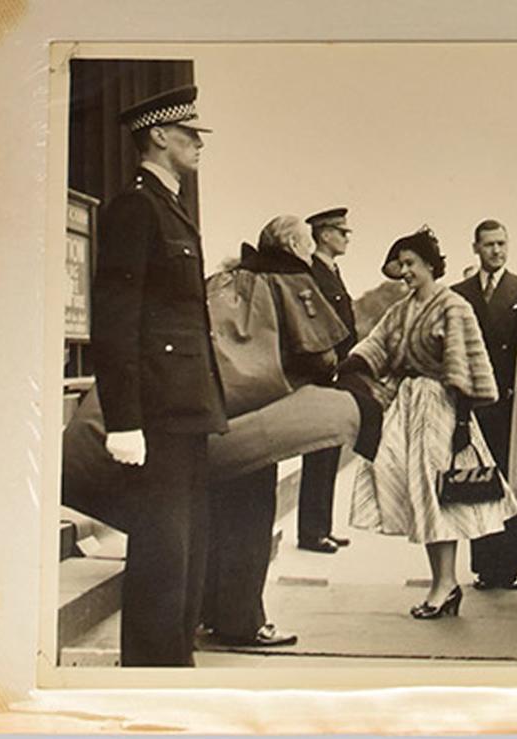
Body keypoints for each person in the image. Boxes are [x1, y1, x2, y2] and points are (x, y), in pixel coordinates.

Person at [90, 85, 227, 666]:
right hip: (157, 412)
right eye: (190, 133)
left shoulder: (170, 206)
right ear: (159, 135)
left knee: (187, 550)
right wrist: (124, 419)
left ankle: (175, 662)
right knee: (162, 552)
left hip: (187, 407)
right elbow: (116, 320)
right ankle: (150, 671)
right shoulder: (135, 207)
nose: (199, 142)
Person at [346, 227, 517, 618]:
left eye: (411, 264)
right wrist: (351, 363)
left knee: (437, 495)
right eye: (401, 265)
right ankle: (443, 584)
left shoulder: (453, 306)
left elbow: (462, 364)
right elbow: (378, 343)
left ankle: (444, 586)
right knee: (419, 495)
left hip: (442, 407)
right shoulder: (403, 308)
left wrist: (461, 424)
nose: (405, 271)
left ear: (430, 265)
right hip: (409, 406)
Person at [202, 216, 349, 648]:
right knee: (251, 521)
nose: (308, 253)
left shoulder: (223, 278)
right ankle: (245, 621)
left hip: (215, 413)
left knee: (216, 517)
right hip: (260, 414)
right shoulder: (291, 281)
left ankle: (208, 612)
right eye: (305, 244)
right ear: (291, 245)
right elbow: (320, 353)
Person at [450, 219, 517, 591]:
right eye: (489, 244)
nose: (497, 251)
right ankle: (483, 567)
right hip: (473, 404)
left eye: (502, 244)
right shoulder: (458, 292)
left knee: (507, 483)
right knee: (477, 485)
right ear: (475, 248)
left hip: (511, 400)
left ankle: (507, 569)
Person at [296, 207, 359, 554]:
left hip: (338, 370)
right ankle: (311, 532)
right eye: (342, 231)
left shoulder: (332, 271)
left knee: (330, 450)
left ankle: (323, 526)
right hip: (323, 372)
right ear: (324, 234)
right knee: (318, 452)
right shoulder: (312, 272)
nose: (347, 238)